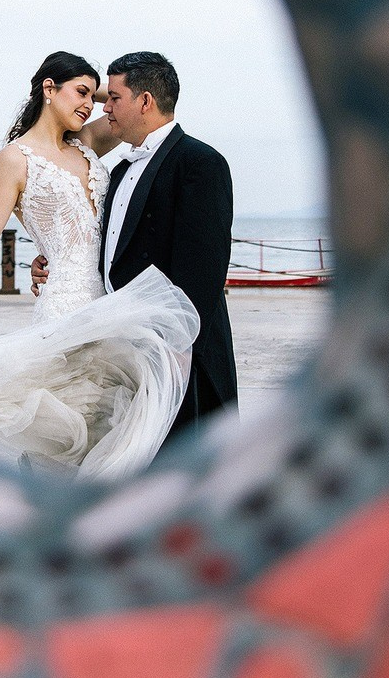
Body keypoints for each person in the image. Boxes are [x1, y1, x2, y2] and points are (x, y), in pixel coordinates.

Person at [0, 52, 199, 478]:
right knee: (67, 431)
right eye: (81, 93)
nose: (91, 105)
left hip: (114, 309)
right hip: (65, 309)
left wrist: (85, 86)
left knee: (113, 430)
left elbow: (129, 97)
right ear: (48, 88)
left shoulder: (88, 142)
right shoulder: (14, 161)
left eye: (94, 96)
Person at [33, 51, 238, 452]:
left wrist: (176, 352)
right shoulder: (121, 169)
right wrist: (55, 260)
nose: (104, 108)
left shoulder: (200, 163)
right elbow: (108, 247)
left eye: (113, 98)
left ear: (145, 101)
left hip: (181, 355)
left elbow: (203, 271)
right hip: (126, 347)